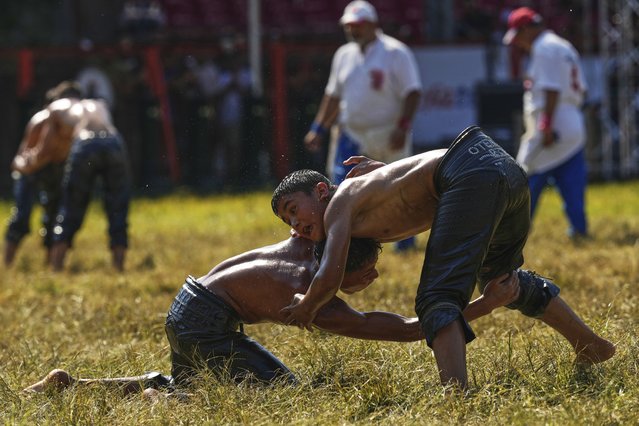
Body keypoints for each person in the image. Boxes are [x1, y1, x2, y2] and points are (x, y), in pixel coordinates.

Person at [271, 125, 616, 390]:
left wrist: (307, 306)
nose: (296, 225)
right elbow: (406, 183)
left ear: (320, 191)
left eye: (293, 210)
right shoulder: (362, 197)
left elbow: (331, 273)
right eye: (288, 223)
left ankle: (457, 399)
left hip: (469, 170)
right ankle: (588, 344)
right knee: (501, 280)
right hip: (502, 167)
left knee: (437, 298)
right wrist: (386, 169)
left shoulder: (339, 205)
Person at [23, 236, 520, 395]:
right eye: (367, 272)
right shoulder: (310, 293)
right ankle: (158, 405)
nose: (372, 280)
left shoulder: (304, 244)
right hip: (206, 321)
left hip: (189, 304)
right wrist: (487, 304)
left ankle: (75, 385)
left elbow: (339, 210)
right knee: (284, 390)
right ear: (343, 263)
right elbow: (403, 330)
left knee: (192, 383)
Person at [303, 0, 422, 251]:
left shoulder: (395, 52)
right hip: (352, 133)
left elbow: (412, 92)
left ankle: (405, 244)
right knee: (342, 189)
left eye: (358, 25)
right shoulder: (343, 55)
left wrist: (402, 127)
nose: (353, 31)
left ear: (372, 25)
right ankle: (349, 244)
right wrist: (318, 128)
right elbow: (333, 96)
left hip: (388, 132)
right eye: (349, 26)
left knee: (399, 188)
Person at [12, 81, 132, 271]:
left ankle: (56, 267)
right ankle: (119, 265)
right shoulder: (96, 104)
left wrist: (25, 165)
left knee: (71, 205)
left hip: (85, 142)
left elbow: (45, 150)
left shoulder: (54, 108)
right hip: (114, 142)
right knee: (118, 205)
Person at [503, 7, 589, 240]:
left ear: (526, 30)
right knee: (572, 182)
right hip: (571, 121)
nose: (518, 43)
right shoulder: (562, 45)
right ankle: (579, 231)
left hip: (551, 122)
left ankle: (512, 235)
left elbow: (551, 89)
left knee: (523, 180)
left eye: (518, 36)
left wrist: (546, 125)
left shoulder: (543, 49)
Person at [4, 83, 78, 266]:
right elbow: (21, 156)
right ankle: (6, 263)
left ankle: (51, 265)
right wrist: (29, 165)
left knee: (55, 215)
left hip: (56, 168)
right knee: (22, 214)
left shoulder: (76, 123)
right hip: (31, 170)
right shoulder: (41, 120)